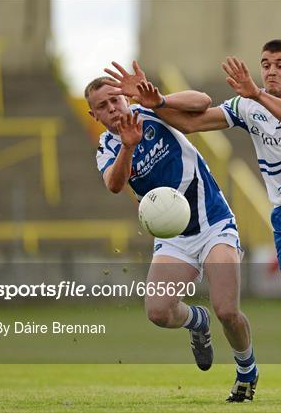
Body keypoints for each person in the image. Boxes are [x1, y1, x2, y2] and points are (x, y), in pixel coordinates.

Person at [106, 39, 281, 404]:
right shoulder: (246, 105)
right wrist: (157, 103)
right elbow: (194, 123)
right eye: (266, 64)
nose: (272, 70)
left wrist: (257, 94)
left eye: (280, 64)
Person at [85, 62, 258, 402]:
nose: (112, 108)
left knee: (228, 309)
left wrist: (159, 99)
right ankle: (197, 321)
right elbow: (114, 185)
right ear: (95, 116)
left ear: (124, 97)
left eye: (115, 99)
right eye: (102, 107)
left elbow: (202, 100)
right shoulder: (107, 147)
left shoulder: (150, 112)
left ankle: (246, 369)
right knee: (158, 312)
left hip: (214, 223)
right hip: (174, 238)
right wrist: (128, 146)